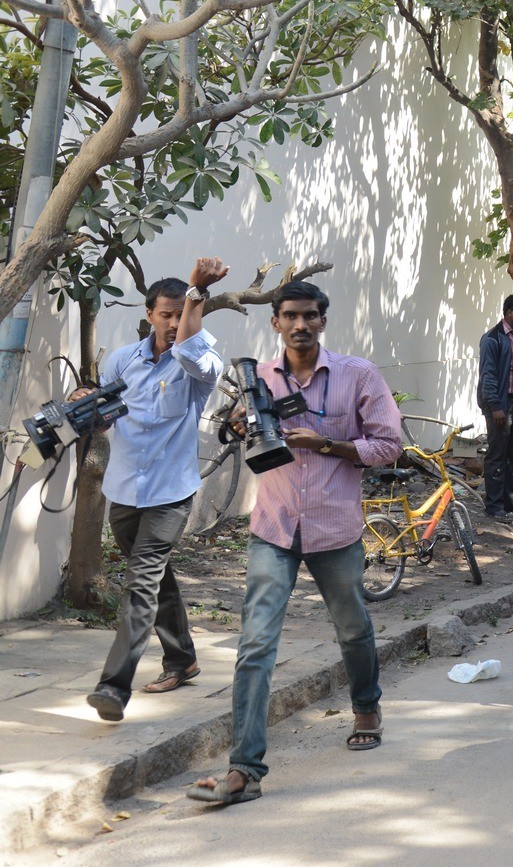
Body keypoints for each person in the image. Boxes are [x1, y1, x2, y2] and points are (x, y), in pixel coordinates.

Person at [188, 281, 404, 806]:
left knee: (352, 629)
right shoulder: (257, 377)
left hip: (335, 528)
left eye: (309, 316)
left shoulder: (357, 375)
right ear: (276, 323)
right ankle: (244, 771)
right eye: (290, 316)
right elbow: (240, 431)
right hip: (275, 527)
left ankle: (367, 706)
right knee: (256, 645)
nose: (300, 325)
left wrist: (327, 444)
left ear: (322, 321)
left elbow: (390, 446)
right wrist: (243, 426)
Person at [83, 260, 229, 722]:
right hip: (124, 490)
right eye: (164, 314)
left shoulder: (201, 362)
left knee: (140, 585)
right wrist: (87, 409)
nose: (171, 323)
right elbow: (108, 413)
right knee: (155, 577)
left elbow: (187, 349)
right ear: (149, 314)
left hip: (170, 494)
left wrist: (195, 294)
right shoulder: (122, 360)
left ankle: (112, 687)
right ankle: (182, 658)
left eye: (179, 313)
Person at [477, 294, 513, 523]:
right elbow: (488, 376)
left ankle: (510, 502)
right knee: (497, 454)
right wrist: (495, 407)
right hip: (500, 404)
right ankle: (493, 505)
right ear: (509, 312)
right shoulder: (493, 339)